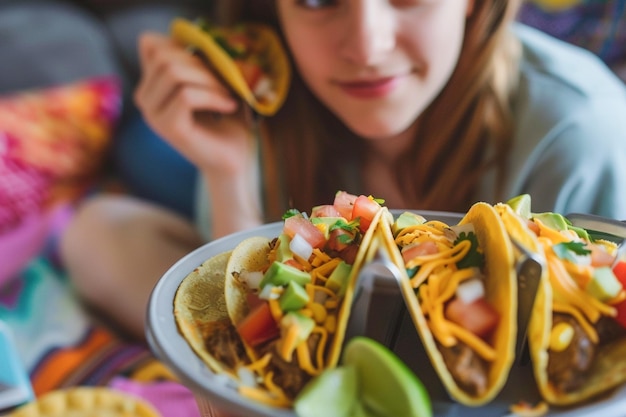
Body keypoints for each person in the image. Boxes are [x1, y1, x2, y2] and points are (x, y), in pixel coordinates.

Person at [60, 0, 626, 343]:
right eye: (316, 0)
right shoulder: (262, 91)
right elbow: (247, 314)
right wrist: (227, 170)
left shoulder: (583, 134)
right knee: (96, 231)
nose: (366, 46)